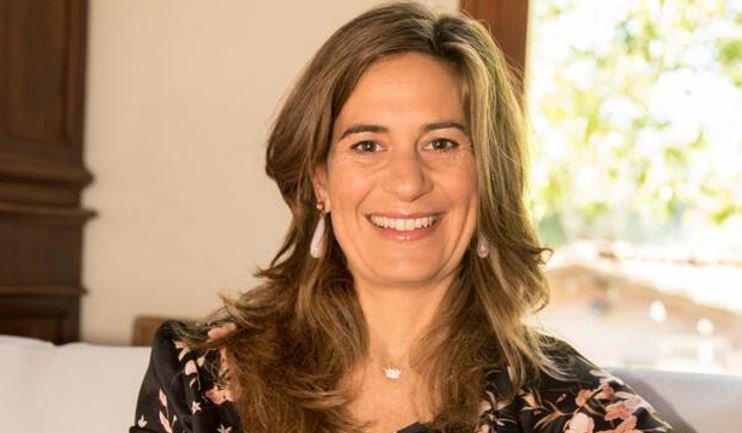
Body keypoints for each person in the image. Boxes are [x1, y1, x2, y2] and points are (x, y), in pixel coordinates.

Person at [130, 2, 674, 433]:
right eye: (367, 145)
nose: (408, 182)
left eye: (441, 143)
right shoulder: (202, 378)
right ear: (320, 181)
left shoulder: (582, 412)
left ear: (487, 178)